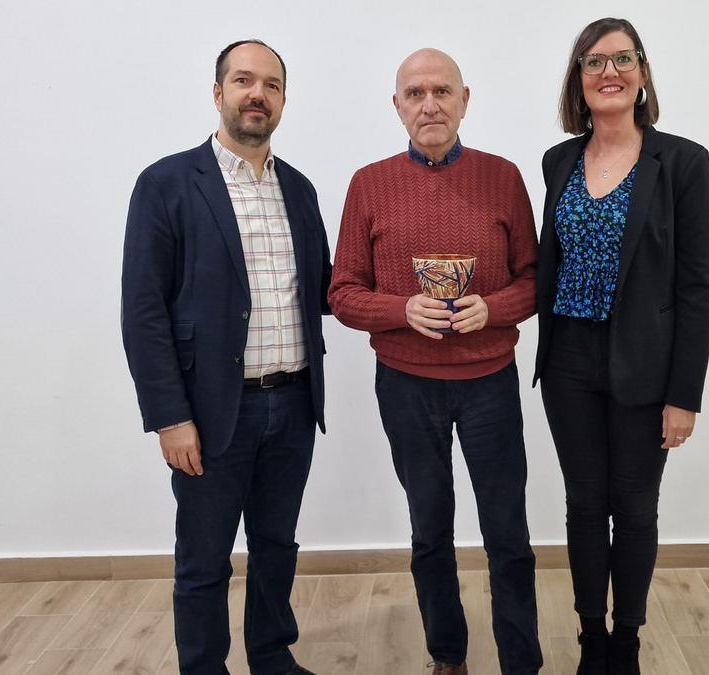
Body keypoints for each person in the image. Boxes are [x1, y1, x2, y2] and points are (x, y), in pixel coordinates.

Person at [328, 48, 543, 675]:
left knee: (507, 534)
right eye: (416, 93)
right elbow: (342, 292)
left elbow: (535, 280)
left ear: (465, 99)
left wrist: (494, 308)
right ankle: (447, 656)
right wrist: (403, 312)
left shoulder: (502, 177)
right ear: (397, 106)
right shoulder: (368, 184)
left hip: (489, 384)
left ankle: (521, 662)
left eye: (442, 92)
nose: (430, 104)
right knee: (430, 529)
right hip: (405, 385)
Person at [121, 39, 330, 675]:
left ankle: (272, 657)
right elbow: (144, 312)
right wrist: (169, 417)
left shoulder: (299, 189)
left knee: (277, 548)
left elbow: (325, 288)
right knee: (204, 559)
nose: (256, 94)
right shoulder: (166, 184)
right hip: (211, 415)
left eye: (270, 85)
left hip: (293, 403)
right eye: (243, 81)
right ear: (219, 94)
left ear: (284, 101)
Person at [533, 17, 709, 675]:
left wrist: (683, 395)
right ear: (578, 82)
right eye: (594, 62)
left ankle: (628, 641)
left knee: (634, 506)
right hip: (568, 360)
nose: (609, 73)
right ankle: (591, 638)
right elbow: (546, 262)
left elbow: (697, 285)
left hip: (646, 360)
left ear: (641, 75)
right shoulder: (557, 161)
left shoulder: (683, 162)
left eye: (623, 59)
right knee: (584, 503)